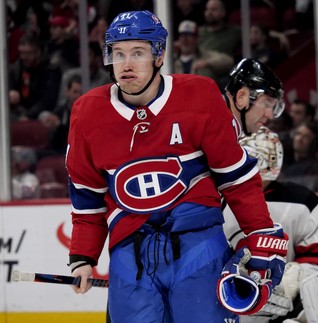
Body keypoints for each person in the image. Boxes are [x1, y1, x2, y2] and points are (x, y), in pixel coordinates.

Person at [66, 10, 288, 323]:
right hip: (131, 253)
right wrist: (83, 257)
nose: (126, 64)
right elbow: (87, 197)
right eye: (118, 54)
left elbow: (236, 179)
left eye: (138, 53)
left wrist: (260, 232)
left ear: (159, 55)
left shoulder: (199, 95)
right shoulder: (87, 112)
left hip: (198, 245)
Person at [223, 126, 318, 323]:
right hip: (226, 301)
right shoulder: (213, 199)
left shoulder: (303, 201)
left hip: (284, 309)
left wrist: (297, 277)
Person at [224, 58, 285, 136]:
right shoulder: (208, 125)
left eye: (273, 107)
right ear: (241, 97)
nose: (269, 115)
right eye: (266, 104)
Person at [173, 20, 234, 89]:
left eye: (189, 36)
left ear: (197, 39)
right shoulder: (172, 60)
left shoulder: (206, 56)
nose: (185, 40)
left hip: (202, 95)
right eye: (182, 36)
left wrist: (208, 63)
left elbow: (229, 61)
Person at [280, 121, 318, 192]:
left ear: (314, 142)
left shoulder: (315, 167)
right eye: (298, 134)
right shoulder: (283, 162)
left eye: (306, 137)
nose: (299, 139)